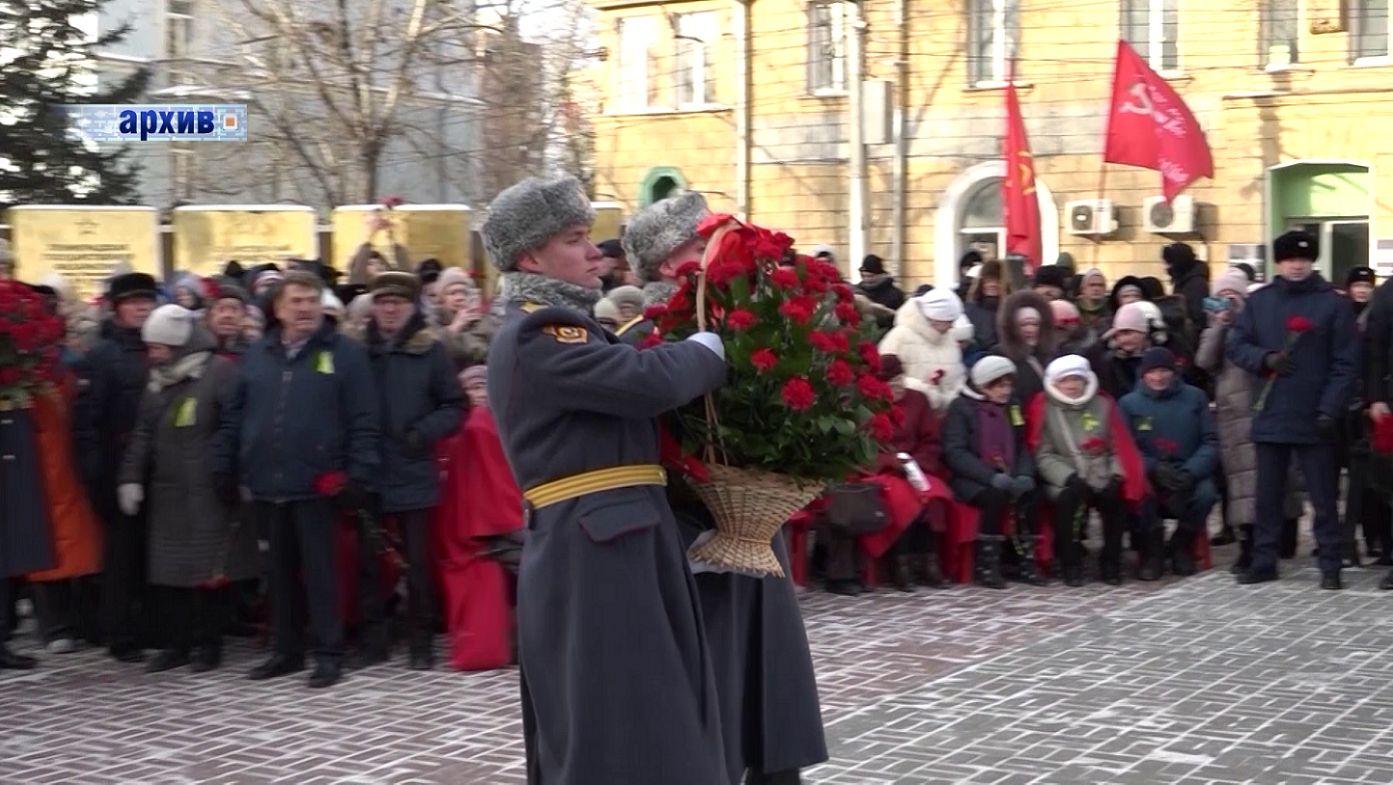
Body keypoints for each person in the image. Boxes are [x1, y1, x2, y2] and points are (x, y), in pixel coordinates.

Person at [482, 175, 731, 784]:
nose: (597, 251)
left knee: (651, 712)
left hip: (620, 538)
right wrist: (708, 348)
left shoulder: (566, 326)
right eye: (576, 238)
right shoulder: (539, 331)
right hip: (595, 548)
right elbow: (641, 381)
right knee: (617, 719)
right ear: (530, 256)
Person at [215, 269, 381, 688]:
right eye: (296, 301)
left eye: (311, 299)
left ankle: (329, 653)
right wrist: (227, 464)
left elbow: (364, 418)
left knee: (321, 573)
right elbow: (236, 416)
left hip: (319, 483)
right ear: (278, 308)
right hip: (267, 482)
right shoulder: (257, 355)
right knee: (278, 573)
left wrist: (357, 474)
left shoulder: (344, 353)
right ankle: (285, 651)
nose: (305, 308)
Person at [116, 305, 256, 674]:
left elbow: (233, 424)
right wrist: (130, 477)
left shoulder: (219, 373)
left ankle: (208, 645)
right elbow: (143, 432)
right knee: (170, 573)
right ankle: (177, 644)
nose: (153, 354)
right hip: (169, 492)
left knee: (209, 572)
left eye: (160, 346)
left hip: (208, 488)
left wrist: (225, 468)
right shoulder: (158, 379)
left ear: (178, 344)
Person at [1227, 231, 1358, 590]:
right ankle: (1264, 559)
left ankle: (1330, 562)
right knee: (1267, 495)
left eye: (1302, 259)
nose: (1296, 265)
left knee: (1323, 495)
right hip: (1270, 410)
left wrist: (1330, 408)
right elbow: (1236, 344)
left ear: (1312, 261)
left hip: (1315, 415)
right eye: (1288, 260)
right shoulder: (1260, 302)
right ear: (1278, 263)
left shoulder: (1333, 304)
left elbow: (1346, 363)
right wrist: (1265, 359)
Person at [357, 271, 464, 670]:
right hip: (368, 468)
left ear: (410, 307)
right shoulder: (357, 350)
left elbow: (454, 406)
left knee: (418, 562)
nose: (388, 309)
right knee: (370, 562)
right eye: (382, 302)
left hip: (413, 466)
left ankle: (420, 640)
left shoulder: (429, 350)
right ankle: (373, 640)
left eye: (396, 303)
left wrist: (422, 434)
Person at [75, 271, 160, 663]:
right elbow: (87, 422)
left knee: (153, 551)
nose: (142, 308)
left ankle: (152, 625)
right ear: (117, 308)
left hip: (159, 469)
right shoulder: (103, 356)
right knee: (122, 554)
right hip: (116, 468)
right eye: (133, 302)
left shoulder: (162, 348)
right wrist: (95, 474)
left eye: (147, 301)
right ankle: (120, 631)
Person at [1031, 354, 1146, 585]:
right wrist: (1068, 477)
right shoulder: (1044, 408)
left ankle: (1111, 560)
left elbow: (1117, 446)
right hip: (1065, 475)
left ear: (1086, 380)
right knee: (1067, 501)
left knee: (1117, 499)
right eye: (1065, 381)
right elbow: (1042, 453)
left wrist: (1116, 474)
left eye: (1076, 379)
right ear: (1055, 383)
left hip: (1101, 472)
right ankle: (1070, 562)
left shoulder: (1103, 405)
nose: (1072, 385)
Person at [1120, 348, 1220, 577]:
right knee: (1139, 495)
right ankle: (1153, 552)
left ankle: (1180, 546)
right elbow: (1125, 449)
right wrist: (1152, 467)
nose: (1158, 377)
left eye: (1164, 371)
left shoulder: (1195, 397)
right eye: (1152, 372)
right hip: (1150, 472)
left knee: (1206, 494)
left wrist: (1191, 471)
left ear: (1174, 372)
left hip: (1187, 469)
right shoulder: (1128, 403)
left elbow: (1210, 441)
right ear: (1143, 375)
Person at [943, 356, 1041, 588]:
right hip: (972, 476)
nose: (1005, 391)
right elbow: (955, 452)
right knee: (995, 497)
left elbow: (1021, 445)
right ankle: (988, 565)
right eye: (999, 386)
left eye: (1008, 385)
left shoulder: (1013, 406)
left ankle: (1024, 562)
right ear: (983, 386)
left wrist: (1025, 474)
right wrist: (990, 477)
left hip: (1009, 470)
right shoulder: (962, 408)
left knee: (1033, 495)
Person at [877, 288, 966, 413]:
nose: (952, 326)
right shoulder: (899, 337)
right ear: (935, 317)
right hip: (910, 415)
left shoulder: (949, 338)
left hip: (947, 416)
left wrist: (953, 398)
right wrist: (928, 393)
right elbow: (886, 375)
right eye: (949, 321)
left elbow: (957, 374)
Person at [994, 290, 1057, 406]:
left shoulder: (1052, 352)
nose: (1030, 329)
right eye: (1023, 324)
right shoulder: (1000, 354)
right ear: (1012, 326)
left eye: (1034, 324)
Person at [429, 267, 496, 371]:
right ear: (442, 298)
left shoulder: (481, 320)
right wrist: (455, 327)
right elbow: (433, 350)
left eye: (464, 292)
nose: (459, 297)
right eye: (453, 293)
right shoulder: (433, 319)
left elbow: (485, 353)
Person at [1092, 302, 1152, 400]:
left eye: (1128, 333)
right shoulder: (1110, 361)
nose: (1123, 339)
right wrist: (1101, 343)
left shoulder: (1155, 357)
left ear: (1143, 333)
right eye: (1119, 334)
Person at [347, 212, 410, 284]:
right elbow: (358, 268)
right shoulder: (359, 284)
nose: (377, 266)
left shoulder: (394, 284)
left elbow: (405, 272)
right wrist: (371, 234)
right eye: (370, 264)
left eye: (381, 263)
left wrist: (393, 236)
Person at [964, 259, 1009, 351]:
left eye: (997, 280)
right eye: (988, 280)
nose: (992, 284)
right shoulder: (970, 310)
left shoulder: (1011, 310)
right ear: (981, 283)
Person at [1164, 242, 1210, 332]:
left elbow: (1198, 316)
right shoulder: (1182, 279)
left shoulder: (1196, 283)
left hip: (1190, 337)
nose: (1168, 266)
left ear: (1180, 261)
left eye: (1170, 262)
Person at [205, 278, 250, 358]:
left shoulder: (254, 353)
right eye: (221, 309)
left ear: (244, 316)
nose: (228, 315)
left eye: (234, 310)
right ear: (209, 316)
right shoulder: (198, 353)